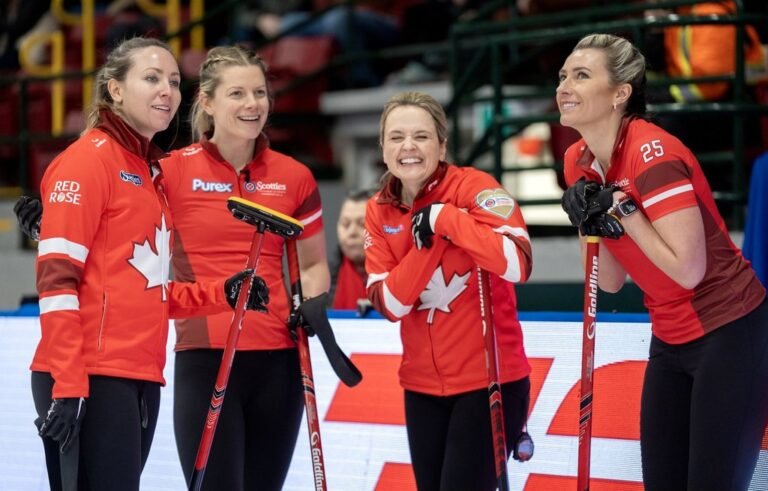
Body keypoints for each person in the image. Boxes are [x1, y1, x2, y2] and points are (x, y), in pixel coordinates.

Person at [28, 37, 268, 491]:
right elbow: (57, 282)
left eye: (175, 81)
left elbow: (147, 291)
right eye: (152, 78)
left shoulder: (148, 174)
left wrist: (221, 293)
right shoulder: (85, 162)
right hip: (90, 376)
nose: (168, 91)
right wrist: (68, 385)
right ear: (115, 89)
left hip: (137, 376)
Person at [558, 33, 768, 490]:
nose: (564, 86)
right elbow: (609, 282)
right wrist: (587, 219)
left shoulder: (654, 153)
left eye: (581, 75)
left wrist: (623, 210)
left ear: (620, 93)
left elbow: (688, 270)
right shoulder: (578, 160)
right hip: (669, 338)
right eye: (562, 76)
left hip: (730, 330)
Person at [159, 45, 330, 491]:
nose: (252, 104)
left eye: (260, 92)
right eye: (237, 93)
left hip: (279, 361)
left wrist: (310, 301)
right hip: (205, 357)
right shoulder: (171, 173)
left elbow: (313, 265)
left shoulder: (294, 176)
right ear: (208, 102)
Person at [364, 91, 533, 490]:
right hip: (421, 387)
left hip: (490, 382)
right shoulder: (379, 209)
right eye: (396, 137)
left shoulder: (473, 187)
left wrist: (447, 218)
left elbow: (518, 262)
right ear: (383, 147)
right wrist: (434, 240)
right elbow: (391, 303)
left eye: (421, 137)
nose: (408, 147)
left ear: (442, 145)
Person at [331, 188, 374, 310]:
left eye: (362, 224)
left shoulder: (399, 277)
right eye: (345, 224)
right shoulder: (324, 279)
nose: (352, 232)